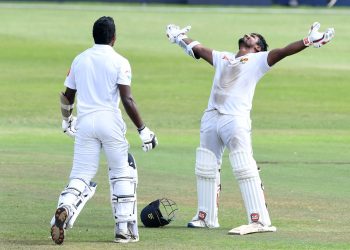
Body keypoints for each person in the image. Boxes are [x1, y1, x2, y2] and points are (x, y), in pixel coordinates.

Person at [166, 22, 334, 235]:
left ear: (258, 48)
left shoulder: (259, 60)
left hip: (235, 120)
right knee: (205, 165)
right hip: (211, 116)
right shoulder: (223, 57)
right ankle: (206, 217)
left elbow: (283, 52)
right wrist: (179, 36)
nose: (247, 35)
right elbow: (198, 49)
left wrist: (308, 41)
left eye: (253, 36)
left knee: (244, 166)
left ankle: (260, 220)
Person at [50, 16, 158, 244]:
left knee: (80, 175)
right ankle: (122, 230)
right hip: (110, 123)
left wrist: (67, 120)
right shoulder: (120, 61)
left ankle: (66, 208)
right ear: (114, 38)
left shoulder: (80, 59)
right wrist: (143, 129)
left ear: (94, 35)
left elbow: (67, 96)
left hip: (86, 124)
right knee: (122, 172)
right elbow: (127, 99)